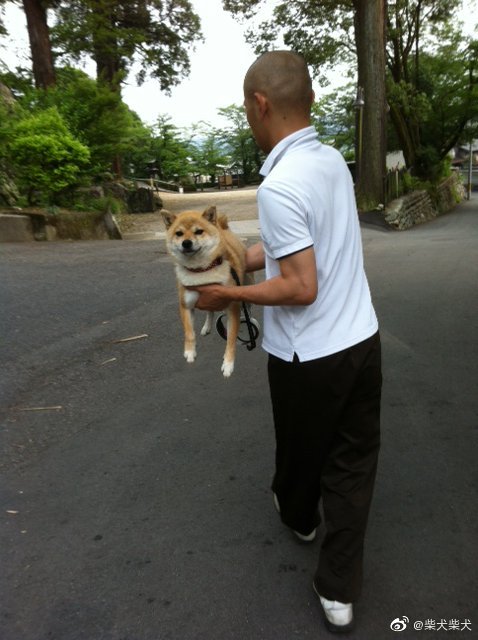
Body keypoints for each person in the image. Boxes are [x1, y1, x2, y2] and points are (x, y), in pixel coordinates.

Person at [192, 50, 382, 634]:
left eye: (248, 110)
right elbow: (291, 248)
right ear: (312, 101)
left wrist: (230, 298)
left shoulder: (278, 187)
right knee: (351, 468)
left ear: (260, 104)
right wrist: (224, 259)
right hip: (363, 341)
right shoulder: (331, 163)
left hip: (309, 357)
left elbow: (300, 285)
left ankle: (299, 517)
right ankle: (339, 591)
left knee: (302, 453)